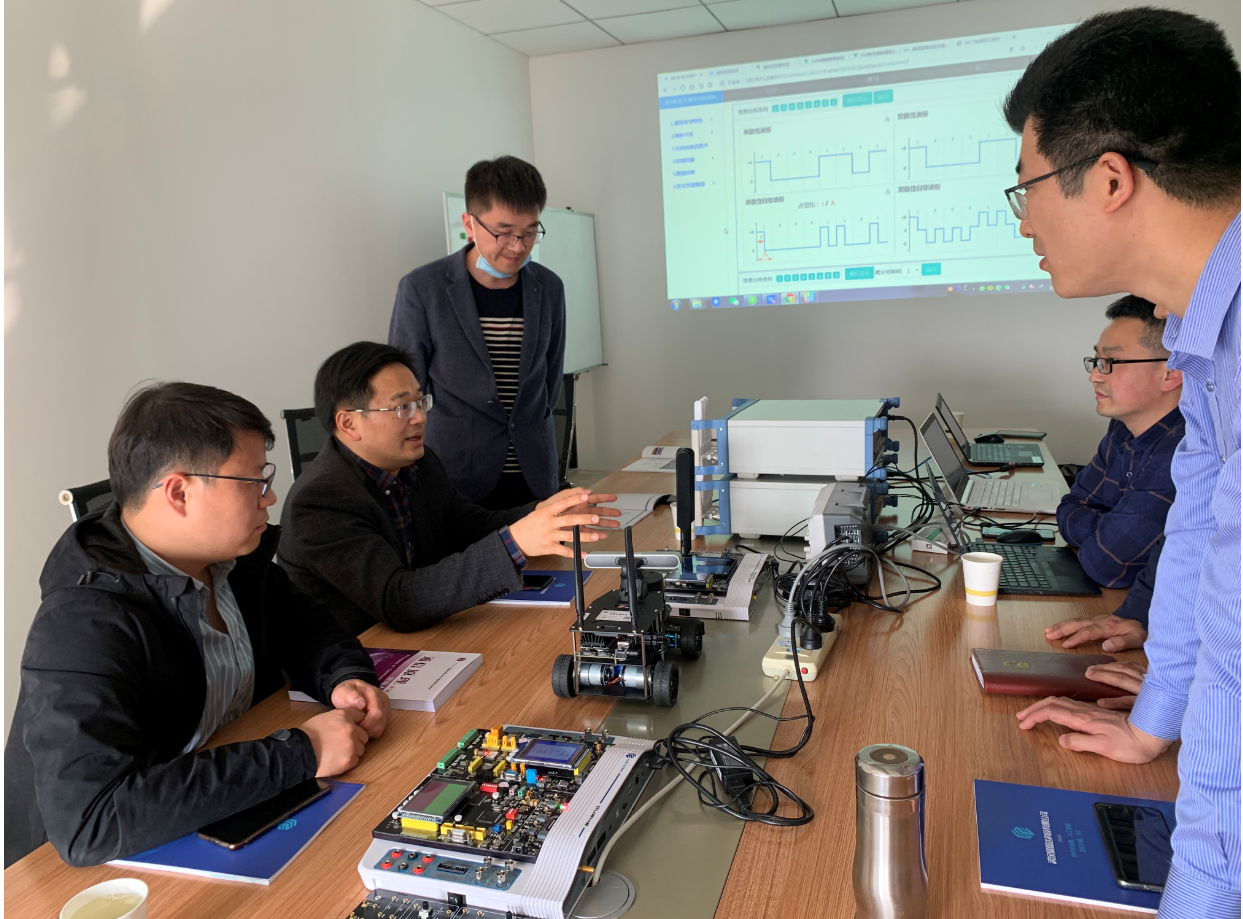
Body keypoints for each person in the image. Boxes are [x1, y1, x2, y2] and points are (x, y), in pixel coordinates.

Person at [1001, 9, 1240, 913]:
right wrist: (1152, 721)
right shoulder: (1203, 340)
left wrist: (1201, 890)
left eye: (1025, 187)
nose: (1023, 220)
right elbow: (1200, 538)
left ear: (1108, 179)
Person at [4, 383, 389, 868]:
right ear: (179, 492)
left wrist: (343, 677)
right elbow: (91, 821)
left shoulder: (231, 559)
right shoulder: (81, 623)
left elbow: (306, 625)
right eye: (254, 482)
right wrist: (300, 753)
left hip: (216, 806)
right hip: (92, 872)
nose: (270, 497)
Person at [278, 342, 619, 636]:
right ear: (349, 423)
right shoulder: (319, 502)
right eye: (402, 407)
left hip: (432, 637)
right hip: (361, 662)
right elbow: (399, 600)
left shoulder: (421, 464)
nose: (419, 418)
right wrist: (515, 541)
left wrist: (543, 514)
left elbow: (469, 526)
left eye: (420, 402)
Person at [389, 156, 564, 510]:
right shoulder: (423, 289)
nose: (518, 246)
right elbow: (405, 393)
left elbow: (550, 380)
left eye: (529, 232)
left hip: (534, 476)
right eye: (504, 232)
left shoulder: (548, 287)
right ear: (470, 224)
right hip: (458, 479)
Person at [1045, 294, 1183, 660]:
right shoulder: (1124, 429)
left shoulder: (1182, 449)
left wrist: (1104, 530)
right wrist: (1107, 527)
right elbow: (1071, 505)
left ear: (1172, 372)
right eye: (1096, 360)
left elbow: (1108, 565)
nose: (1094, 375)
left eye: (1111, 362)